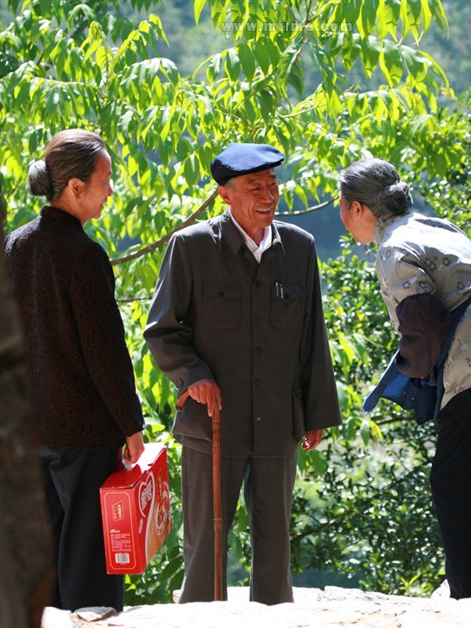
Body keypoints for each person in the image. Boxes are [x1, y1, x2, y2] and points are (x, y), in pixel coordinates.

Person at [338, 157, 471, 599]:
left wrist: (410, 376)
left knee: (455, 483)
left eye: (342, 205)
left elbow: (423, 322)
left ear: (359, 209)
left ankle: (470, 599)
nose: (342, 215)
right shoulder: (434, 225)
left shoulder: (393, 246)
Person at [144, 143, 341, 604]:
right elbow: (163, 331)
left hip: (277, 418)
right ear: (224, 195)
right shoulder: (191, 247)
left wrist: (314, 413)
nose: (268, 195)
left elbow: (313, 337)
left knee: (275, 540)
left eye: (272, 185)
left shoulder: (299, 247)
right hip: (213, 424)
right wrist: (193, 375)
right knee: (206, 542)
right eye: (255, 187)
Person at [4, 129, 146, 611]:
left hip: (30, 427)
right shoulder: (83, 256)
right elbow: (105, 353)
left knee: (45, 552)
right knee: (88, 560)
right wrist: (131, 426)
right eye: (104, 180)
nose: (110, 190)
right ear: (75, 188)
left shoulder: (14, 246)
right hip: (84, 433)